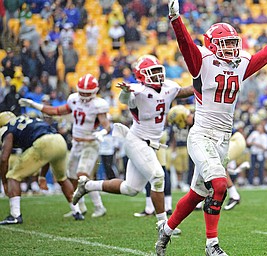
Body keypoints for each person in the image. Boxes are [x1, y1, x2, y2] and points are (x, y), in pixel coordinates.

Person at [155, 1, 267, 255]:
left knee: (198, 194)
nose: (231, 47)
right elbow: (186, 45)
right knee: (219, 186)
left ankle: (165, 230)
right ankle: (212, 245)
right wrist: (176, 19)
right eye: (226, 43)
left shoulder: (240, 64)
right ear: (212, 45)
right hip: (202, 135)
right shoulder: (202, 62)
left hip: (222, 139)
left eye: (233, 42)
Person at [72, 55, 193, 232]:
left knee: (130, 188)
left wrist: (204, 84)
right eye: (152, 72)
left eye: (158, 71)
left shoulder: (169, 87)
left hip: (149, 143)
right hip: (137, 140)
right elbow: (124, 99)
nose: (157, 75)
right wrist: (126, 91)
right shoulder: (137, 90)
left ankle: (88, 185)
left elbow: (184, 91)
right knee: (158, 176)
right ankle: (164, 225)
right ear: (142, 76)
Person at [18, 74, 110, 218]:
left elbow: (106, 125)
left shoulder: (98, 104)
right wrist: (34, 105)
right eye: (82, 93)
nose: (84, 96)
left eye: (88, 93)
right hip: (76, 143)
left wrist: (102, 132)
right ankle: (80, 207)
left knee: (82, 175)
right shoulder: (74, 100)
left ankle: (99, 207)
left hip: (90, 144)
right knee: (71, 176)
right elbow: (55, 111)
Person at [0, 112, 84, 225]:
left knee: (13, 176)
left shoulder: (8, 128)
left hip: (44, 142)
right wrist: (42, 176)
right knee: (62, 178)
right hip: (59, 140)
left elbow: (4, 158)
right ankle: (77, 211)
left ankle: (15, 215)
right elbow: (47, 152)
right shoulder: (28, 120)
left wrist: (4, 182)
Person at [167, 105, 245, 211]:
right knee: (215, 166)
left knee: (213, 166)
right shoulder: (196, 121)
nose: (179, 126)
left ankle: (209, 198)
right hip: (232, 139)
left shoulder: (198, 121)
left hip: (234, 139)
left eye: (177, 122)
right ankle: (233, 195)